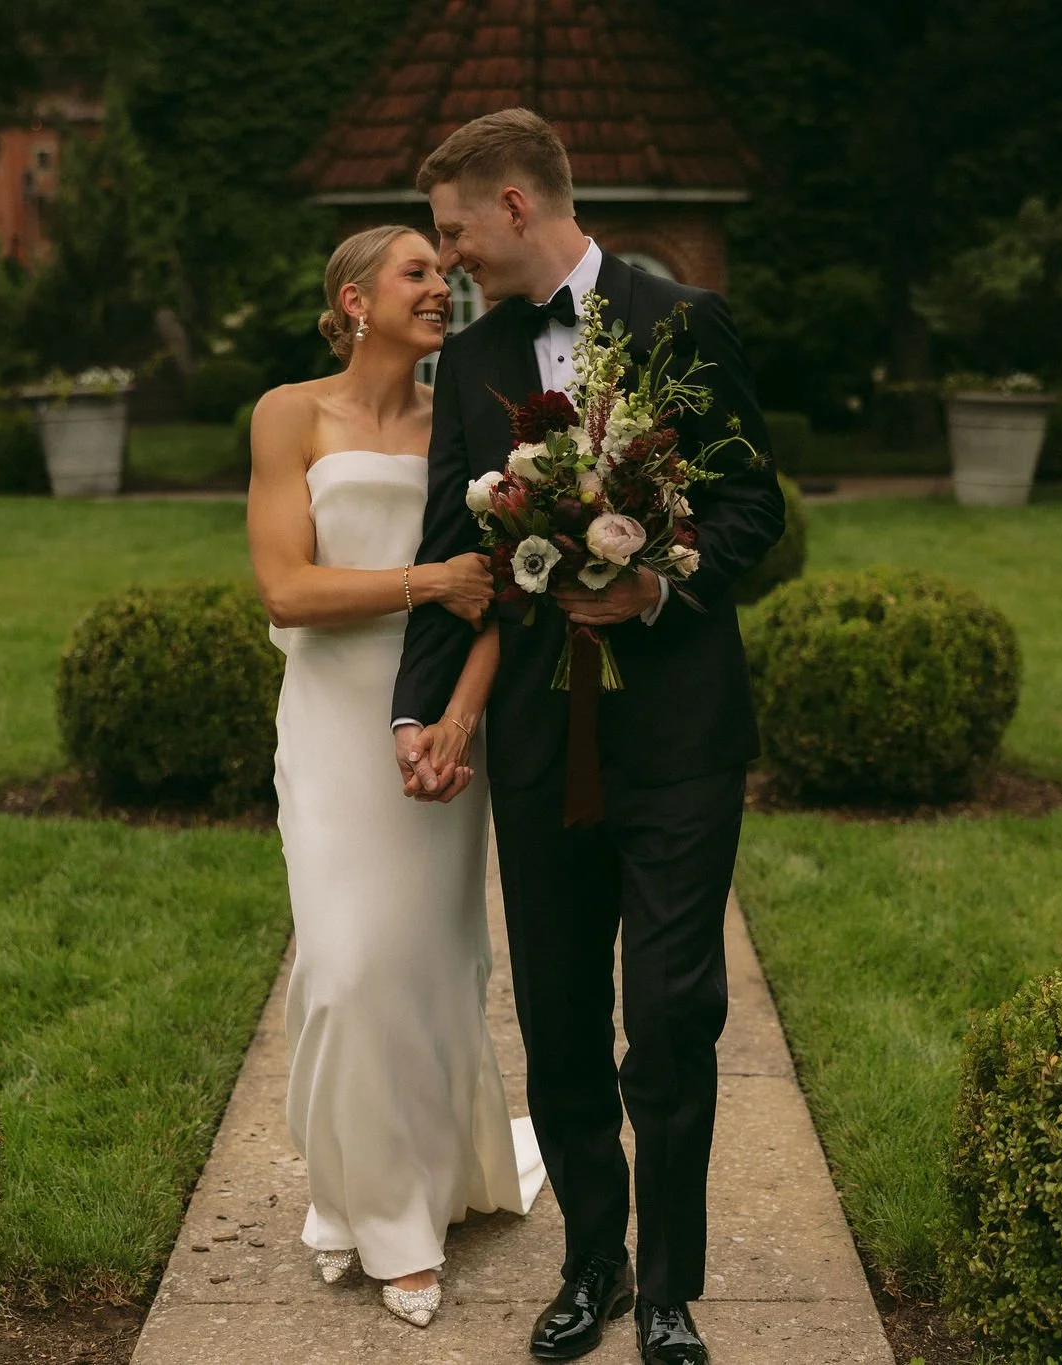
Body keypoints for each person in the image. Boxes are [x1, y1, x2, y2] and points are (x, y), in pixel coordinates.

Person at [391, 109, 785, 1365]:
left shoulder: (684, 321)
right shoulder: (469, 361)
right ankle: (591, 1266)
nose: (445, 260)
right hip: (532, 740)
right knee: (558, 1017)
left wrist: (656, 583)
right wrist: (416, 709)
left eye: (453, 233)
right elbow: (447, 555)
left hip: (676, 734)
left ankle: (668, 1288)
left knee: (669, 1014)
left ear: (515, 207)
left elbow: (752, 507)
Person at [246, 223, 544, 1330]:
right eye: (417, 272)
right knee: (343, 968)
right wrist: (431, 579)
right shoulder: (290, 413)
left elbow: (507, 590)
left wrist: (459, 719)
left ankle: (416, 1196)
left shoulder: (463, 421)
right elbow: (285, 589)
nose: (442, 287)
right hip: (329, 722)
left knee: (429, 968)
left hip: (436, 724)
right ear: (354, 298)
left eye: (443, 271)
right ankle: (374, 1212)